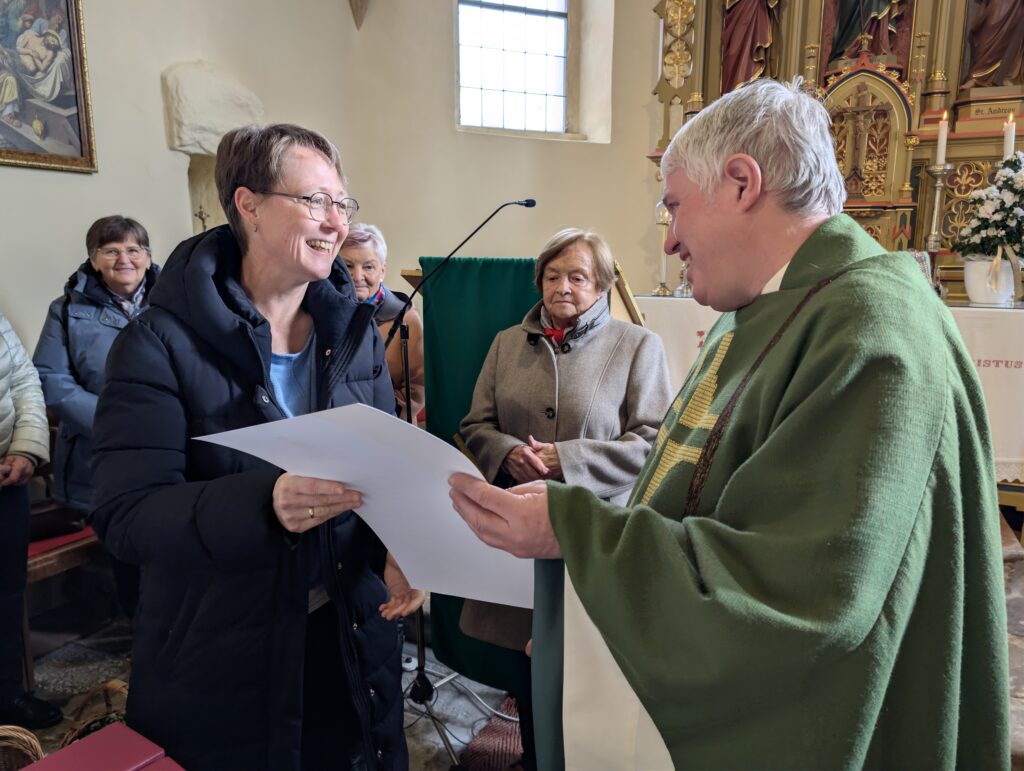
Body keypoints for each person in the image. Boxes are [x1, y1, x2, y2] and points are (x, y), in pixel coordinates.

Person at [449, 77, 1009, 769]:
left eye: (675, 206)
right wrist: (589, 613)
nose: (670, 239)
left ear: (743, 183)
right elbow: (681, 497)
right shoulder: (758, 310)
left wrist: (571, 530)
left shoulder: (873, 330)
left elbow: (799, 592)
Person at [90, 124, 423, 770]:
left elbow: (383, 471)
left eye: (342, 204)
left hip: (349, 637)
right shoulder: (157, 343)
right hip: (223, 652)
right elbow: (126, 514)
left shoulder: (353, 333)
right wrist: (264, 504)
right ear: (248, 205)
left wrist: (402, 546)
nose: (337, 223)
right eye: (315, 201)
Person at [457, 227, 671, 769]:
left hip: (595, 537)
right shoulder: (507, 343)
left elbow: (653, 442)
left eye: (578, 276)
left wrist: (567, 461)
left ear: (601, 285)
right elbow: (475, 424)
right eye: (552, 276)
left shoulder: (637, 345)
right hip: (520, 537)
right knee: (530, 668)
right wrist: (507, 452)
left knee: (591, 673)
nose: (563, 287)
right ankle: (535, 757)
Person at [33, 215, 158, 617]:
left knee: (173, 544)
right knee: (125, 553)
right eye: (111, 250)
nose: (125, 259)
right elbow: (51, 378)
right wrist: (113, 424)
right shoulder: (66, 310)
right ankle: (139, 639)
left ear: (148, 256)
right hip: (101, 452)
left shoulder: (176, 301)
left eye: (134, 249)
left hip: (168, 443)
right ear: (93, 259)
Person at [0, 311, 62, 730]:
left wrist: (24, 449)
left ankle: (8, 695)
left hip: (7, 481)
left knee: (6, 594)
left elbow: (23, 380)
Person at [340, 223, 424, 422]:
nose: (357, 276)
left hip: (386, 424)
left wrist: (378, 414)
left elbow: (418, 387)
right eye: (347, 266)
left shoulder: (406, 318)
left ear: (382, 271)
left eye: (368, 267)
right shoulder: (320, 312)